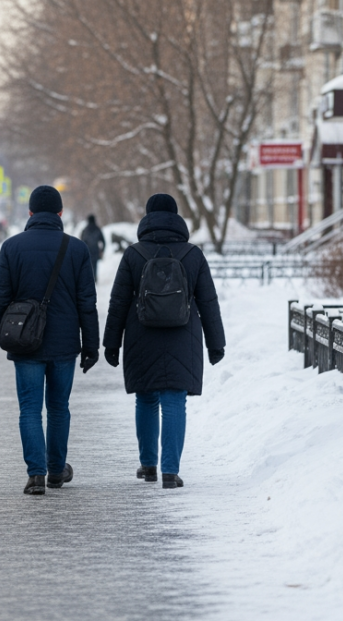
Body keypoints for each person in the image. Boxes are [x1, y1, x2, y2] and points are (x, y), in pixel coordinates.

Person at [102, 194, 225, 489]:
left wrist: (111, 343)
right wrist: (215, 343)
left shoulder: (133, 254)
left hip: (141, 335)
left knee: (145, 397)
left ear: (146, 218)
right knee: (174, 401)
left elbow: (118, 301)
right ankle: (170, 471)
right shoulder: (192, 254)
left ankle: (148, 465)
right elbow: (208, 301)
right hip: (184, 336)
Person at [0, 185, 100, 495]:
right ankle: (56, 471)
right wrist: (91, 345)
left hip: (26, 346)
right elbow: (86, 303)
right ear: (60, 213)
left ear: (29, 213)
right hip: (65, 344)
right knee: (58, 408)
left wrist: (12, 329)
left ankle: (35, 474)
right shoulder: (76, 249)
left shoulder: (11, 247)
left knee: (29, 409)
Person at [80, 214, 107, 282]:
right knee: (95, 265)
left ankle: (88, 278)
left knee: (87, 265)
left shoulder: (85, 230)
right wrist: (102, 250)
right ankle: (94, 278)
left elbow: (81, 242)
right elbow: (103, 241)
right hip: (95, 251)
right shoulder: (98, 229)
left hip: (87, 251)